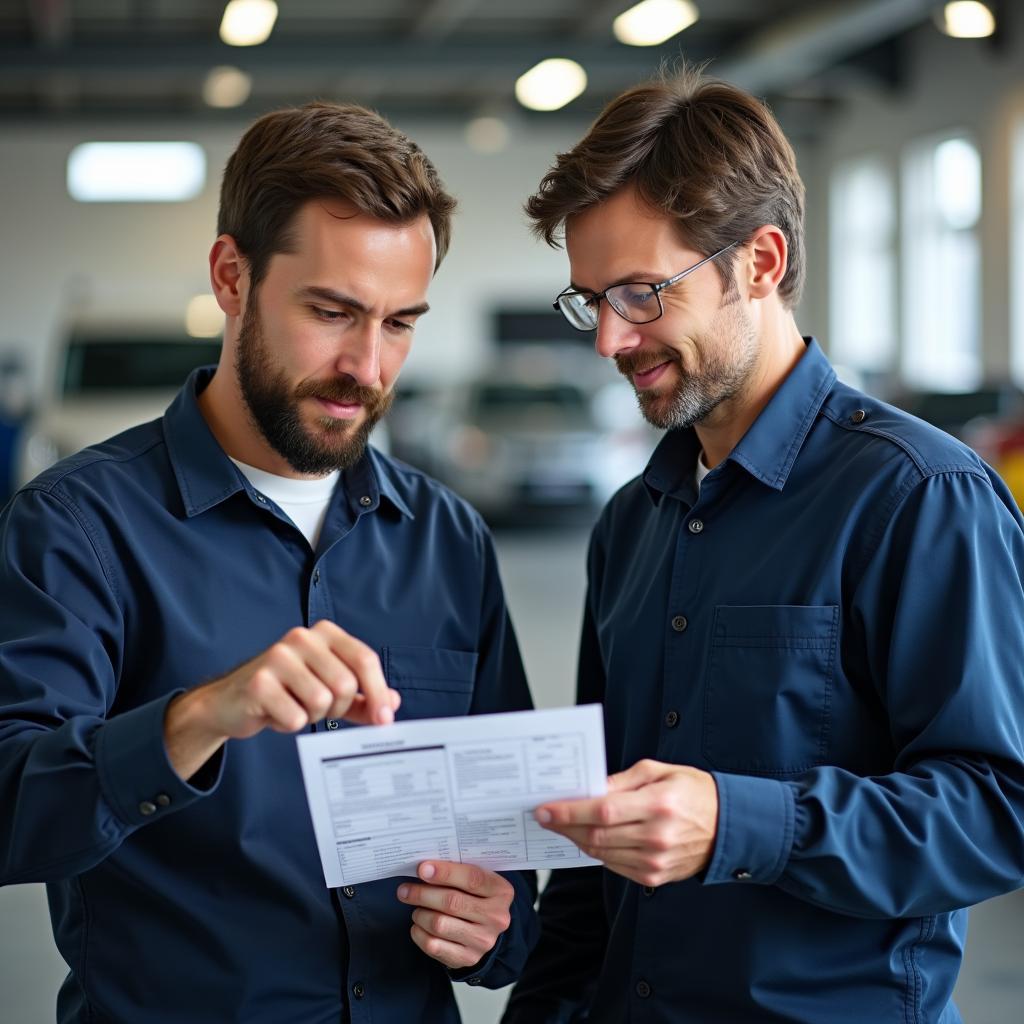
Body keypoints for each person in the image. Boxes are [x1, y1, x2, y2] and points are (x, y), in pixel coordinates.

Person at [502, 67, 1024, 1024]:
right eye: (589, 301)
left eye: (641, 293)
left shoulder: (917, 496)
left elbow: (998, 810)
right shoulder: (632, 522)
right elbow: (592, 849)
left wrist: (742, 822)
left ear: (761, 261)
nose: (610, 341)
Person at [0, 102, 538, 1024]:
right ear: (231, 276)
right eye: (331, 312)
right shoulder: (77, 526)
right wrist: (199, 717)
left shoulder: (448, 540)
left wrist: (498, 921)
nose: (367, 367)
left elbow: (507, 857)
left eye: (400, 323)